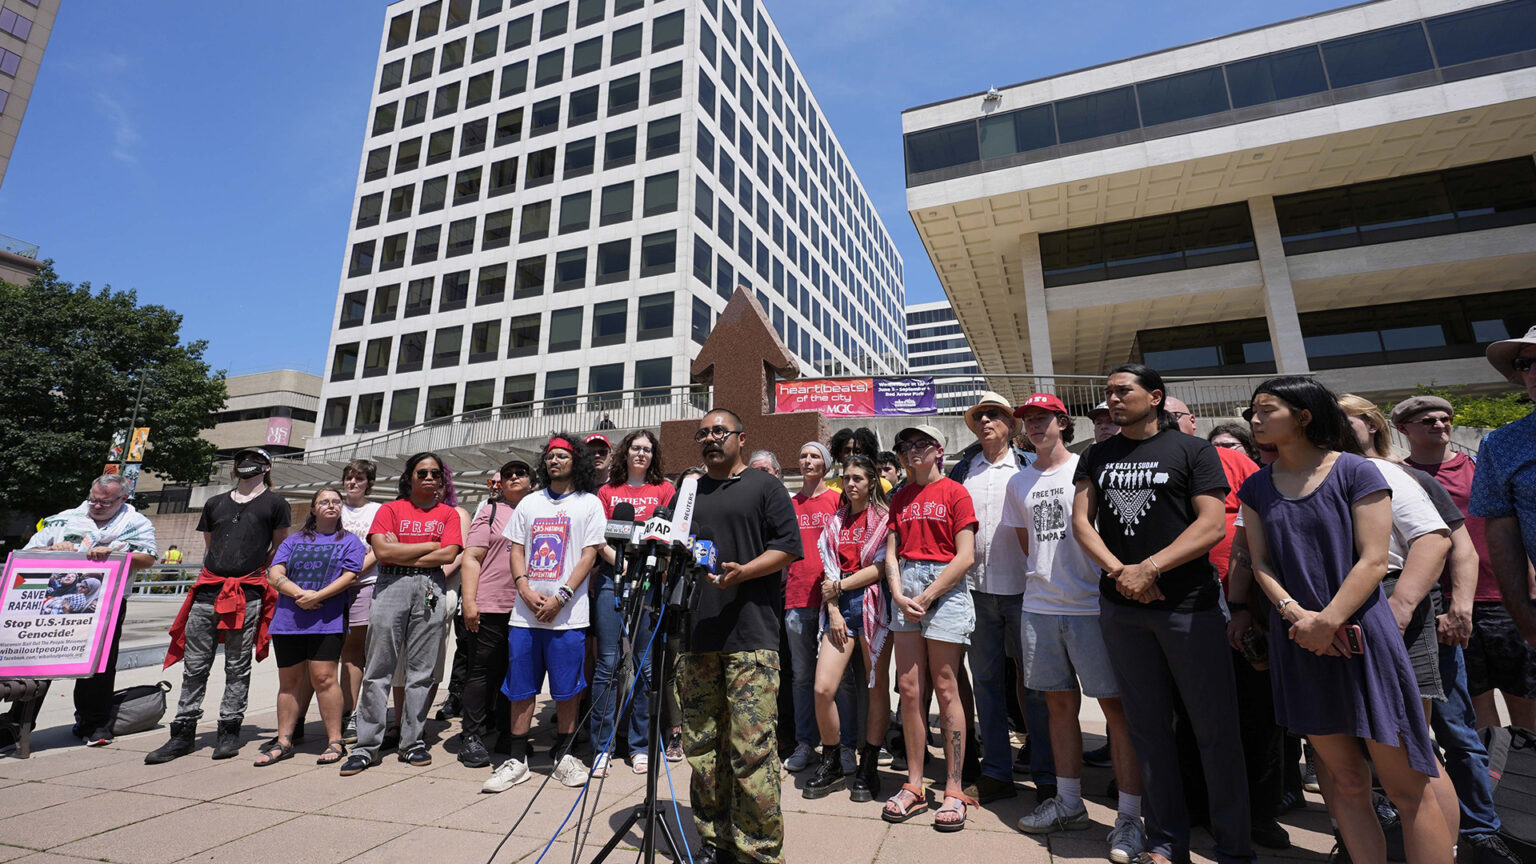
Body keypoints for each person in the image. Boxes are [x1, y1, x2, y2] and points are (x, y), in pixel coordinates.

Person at [1238, 376, 1453, 864]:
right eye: (1253, 410)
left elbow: (1376, 560)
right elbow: (1261, 563)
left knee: (1406, 786)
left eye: (1266, 409)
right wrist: (1299, 617)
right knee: (1347, 781)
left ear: (1304, 416)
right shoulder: (1255, 486)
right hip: (1298, 638)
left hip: (1362, 635)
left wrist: (1327, 621)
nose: (1255, 419)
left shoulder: (1357, 472)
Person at [1072, 365, 1252, 864]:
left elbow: (1211, 525)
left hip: (1188, 609)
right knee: (1148, 728)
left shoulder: (1194, 451)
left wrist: (1149, 568)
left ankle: (1234, 845)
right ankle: (1165, 840)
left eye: (1121, 391)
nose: (1112, 399)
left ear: (1155, 397)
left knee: (1214, 729)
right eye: (1107, 391)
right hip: (1122, 611)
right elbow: (1082, 523)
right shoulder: (1097, 453)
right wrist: (1120, 574)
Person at [1339, 394, 1482, 855]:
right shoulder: (1327, 474)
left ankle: (1454, 846)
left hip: (1410, 615)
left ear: (1373, 424)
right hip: (1352, 619)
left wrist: (1456, 605)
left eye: (1347, 418)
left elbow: (1454, 544)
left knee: (1426, 746)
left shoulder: (1405, 475)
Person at [1005, 394, 1146, 859]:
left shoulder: (1088, 469)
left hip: (1091, 605)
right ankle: (1068, 802)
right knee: (1057, 707)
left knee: (1116, 711)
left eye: (1042, 418)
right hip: (1041, 606)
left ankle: (1129, 817)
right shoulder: (1018, 482)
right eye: (1027, 420)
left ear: (1063, 423)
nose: (1034, 427)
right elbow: (1030, 546)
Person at [1393, 395, 1524, 863]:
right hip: (1444, 612)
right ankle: (1494, 816)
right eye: (1426, 419)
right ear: (1403, 428)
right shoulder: (1402, 476)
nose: (1439, 424)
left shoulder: (1477, 464)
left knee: (1524, 713)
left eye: (1445, 418)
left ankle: (1516, 810)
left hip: (1503, 603)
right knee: (1476, 721)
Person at [677, 409, 802, 864]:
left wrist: (744, 571)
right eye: (703, 434)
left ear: (740, 438)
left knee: (751, 752)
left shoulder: (765, 487)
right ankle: (714, 841)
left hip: (751, 634)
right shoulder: (687, 493)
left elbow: (789, 547)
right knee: (704, 751)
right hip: (697, 635)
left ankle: (760, 850)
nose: (711, 439)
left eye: (719, 432)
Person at [150, 447, 289, 764]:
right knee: (195, 666)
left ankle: (229, 730)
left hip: (248, 593)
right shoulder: (215, 503)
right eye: (241, 460)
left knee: (238, 666)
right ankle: (182, 733)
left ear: (266, 466)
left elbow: (280, 546)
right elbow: (211, 544)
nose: (246, 464)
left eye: (254, 460)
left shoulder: (276, 503)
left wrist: (255, 572)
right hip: (208, 592)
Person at [481, 435, 603, 792]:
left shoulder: (589, 503)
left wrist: (562, 596)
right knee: (520, 688)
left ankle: (564, 756)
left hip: (569, 616)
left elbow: (589, 555)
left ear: (575, 460)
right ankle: (516, 760)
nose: (554, 461)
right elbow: (516, 549)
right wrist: (523, 587)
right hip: (525, 614)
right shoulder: (529, 503)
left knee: (567, 691)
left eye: (562, 456)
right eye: (550, 457)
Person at [881, 423, 979, 832]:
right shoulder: (899, 497)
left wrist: (928, 594)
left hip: (945, 587)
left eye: (921, 444)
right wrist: (900, 592)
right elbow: (890, 554)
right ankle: (915, 784)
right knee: (908, 688)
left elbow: (966, 555)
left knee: (945, 685)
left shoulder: (956, 492)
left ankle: (954, 788)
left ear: (939, 450)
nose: (912, 451)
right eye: (906, 446)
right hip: (907, 583)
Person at [339, 452, 462, 775]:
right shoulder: (390, 510)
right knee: (379, 669)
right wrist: (429, 546)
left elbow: (449, 554)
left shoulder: (448, 514)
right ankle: (366, 746)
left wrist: (406, 550)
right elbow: (382, 552)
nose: (429, 478)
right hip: (390, 584)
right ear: (410, 477)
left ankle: (412, 741)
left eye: (435, 473)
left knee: (421, 671)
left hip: (430, 588)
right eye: (422, 473)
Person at [26, 474, 157, 746]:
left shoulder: (136, 523)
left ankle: (94, 723)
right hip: (54, 605)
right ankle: (20, 723)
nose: (97, 506)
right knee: (40, 661)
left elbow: (148, 558)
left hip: (105, 603)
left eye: (105, 503)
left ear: (123, 499)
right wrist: (53, 549)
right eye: (93, 500)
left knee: (100, 664)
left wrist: (116, 555)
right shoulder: (65, 519)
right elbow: (28, 552)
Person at [951, 392, 1036, 804]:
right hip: (976, 592)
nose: (986, 421)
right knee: (987, 683)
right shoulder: (963, 470)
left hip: (1024, 590)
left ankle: (1048, 773)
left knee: (1035, 682)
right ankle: (998, 772)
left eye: (995, 415)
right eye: (980, 416)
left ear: (1010, 424)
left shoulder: (1029, 467)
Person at [804, 455, 892, 802]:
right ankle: (834, 760)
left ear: (871, 482)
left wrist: (839, 588)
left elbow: (882, 567)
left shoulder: (884, 519)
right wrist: (833, 607)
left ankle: (869, 763)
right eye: (846, 478)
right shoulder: (835, 521)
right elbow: (828, 569)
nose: (851, 483)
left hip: (873, 606)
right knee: (823, 688)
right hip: (840, 609)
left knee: (876, 688)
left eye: (857, 478)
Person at [256, 486, 365, 767]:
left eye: (336, 501)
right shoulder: (293, 541)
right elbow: (275, 572)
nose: (331, 505)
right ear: (314, 508)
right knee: (289, 682)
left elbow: (351, 575)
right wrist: (298, 594)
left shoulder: (350, 542)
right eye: (324, 502)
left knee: (325, 678)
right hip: (289, 620)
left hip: (327, 620)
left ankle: (334, 740)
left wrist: (318, 596)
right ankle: (284, 740)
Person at [590, 430, 675, 777]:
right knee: (608, 664)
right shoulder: (608, 492)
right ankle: (602, 747)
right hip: (613, 578)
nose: (641, 454)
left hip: (650, 582)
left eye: (647, 449)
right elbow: (596, 537)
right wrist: (615, 559)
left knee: (644, 667)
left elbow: (673, 534)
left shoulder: (664, 491)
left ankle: (641, 746)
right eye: (635, 448)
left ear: (653, 456)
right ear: (625, 454)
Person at [456, 458, 532, 768]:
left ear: (532, 481)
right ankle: (472, 736)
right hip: (490, 604)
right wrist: (469, 602)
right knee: (483, 671)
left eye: (520, 473)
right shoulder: (490, 512)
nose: (513, 477)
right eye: (508, 474)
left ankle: (507, 732)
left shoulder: (537, 511)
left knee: (515, 671)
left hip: (526, 606)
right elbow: (471, 558)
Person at [783, 441, 849, 775]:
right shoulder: (788, 503)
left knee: (841, 679)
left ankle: (845, 744)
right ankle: (805, 743)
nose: (808, 460)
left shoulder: (838, 500)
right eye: (803, 455)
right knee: (802, 676)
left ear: (825, 464)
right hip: (796, 599)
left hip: (833, 601)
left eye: (814, 456)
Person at [1470, 325, 1536, 654]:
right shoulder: (1501, 445)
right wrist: (1523, 615)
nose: (1533, 371)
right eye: (1525, 364)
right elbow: (1501, 532)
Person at [337, 460, 379, 745]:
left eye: (359, 478)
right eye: (349, 478)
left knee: (355, 652)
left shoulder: (377, 510)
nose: (352, 483)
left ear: (369, 483)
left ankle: (353, 714)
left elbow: (379, 548)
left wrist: (353, 573)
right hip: (330, 589)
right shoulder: (332, 506)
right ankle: (337, 710)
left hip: (365, 585)